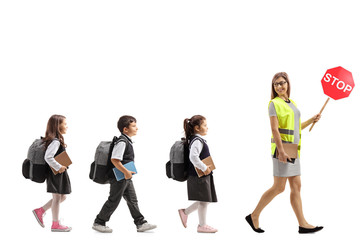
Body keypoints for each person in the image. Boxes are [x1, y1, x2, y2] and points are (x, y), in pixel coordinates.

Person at [245, 72, 323, 234]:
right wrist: (280, 151)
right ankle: (254, 215)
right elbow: (274, 129)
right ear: (273, 87)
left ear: (288, 84)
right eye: (276, 84)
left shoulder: (292, 102)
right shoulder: (273, 103)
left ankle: (302, 224)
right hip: (282, 150)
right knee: (279, 188)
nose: (279, 86)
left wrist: (312, 120)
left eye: (282, 83)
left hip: (293, 149)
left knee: (296, 186)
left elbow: (295, 126)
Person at [92, 115, 157, 233]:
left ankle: (140, 223)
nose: (137, 128)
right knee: (114, 200)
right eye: (134, 126)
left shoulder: (127, 141)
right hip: (119, 177)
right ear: (125, 129)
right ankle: (99, 222)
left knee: (132, 200)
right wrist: (126, 172)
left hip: (125, 177)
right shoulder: (122, 142)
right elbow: (115, 159)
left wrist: (127, 174)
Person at [178, 115, 218, 233]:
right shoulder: (197, 141)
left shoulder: (196, 140)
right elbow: (193, 157)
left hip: (202, 175)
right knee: (204, 200)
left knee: (205, 199)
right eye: (205, 125)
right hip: (198, 175)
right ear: (197, 128)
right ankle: (202, 225)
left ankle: (185, 212)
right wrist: (204, 167)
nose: (207, 128)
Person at [32, 114, 72, 232]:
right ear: (57, 126)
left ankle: (40, 211)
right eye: (64, 124)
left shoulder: (55, 140)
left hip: (57, 172)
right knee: (57, 198)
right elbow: (48, 157)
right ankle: (55, 224)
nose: (66, 126)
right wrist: (59, 167)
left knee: (62, 196)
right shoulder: (55, 141)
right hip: (55, 172)